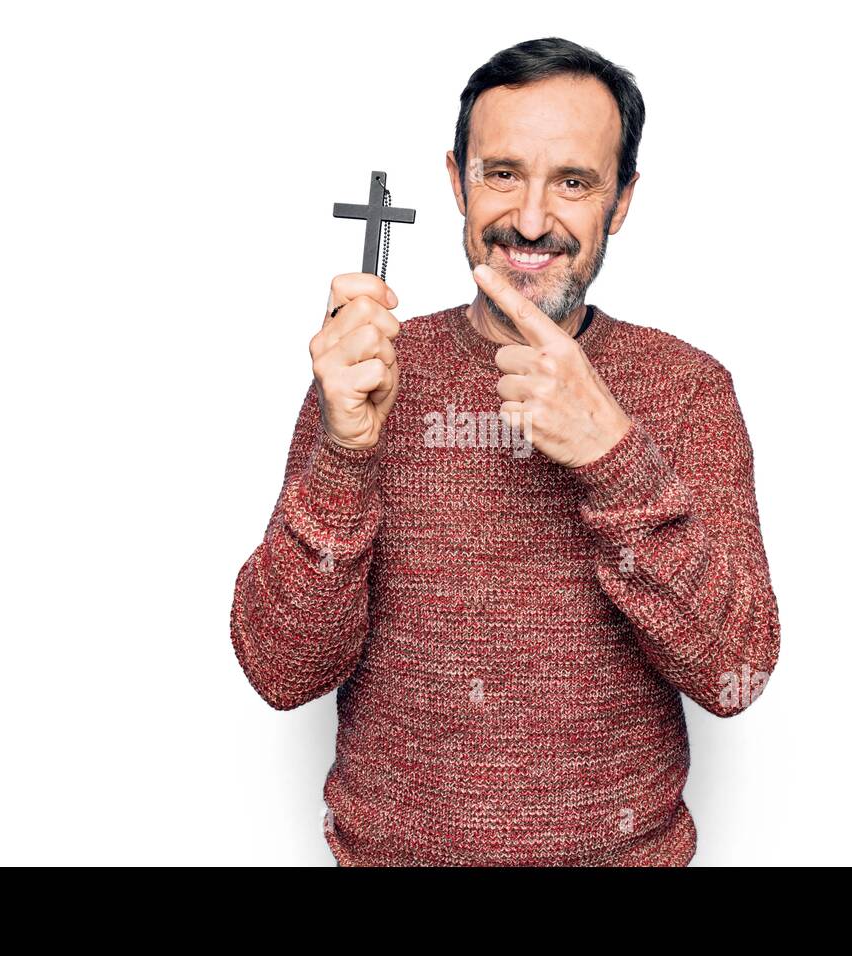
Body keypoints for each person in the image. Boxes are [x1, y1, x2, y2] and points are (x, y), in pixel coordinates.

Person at [230, 36, 781, 866]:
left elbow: (736, 668)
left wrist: (612, 453)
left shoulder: (687, 389)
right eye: (501, 174)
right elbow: (282, 670)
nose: (530, 220)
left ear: (622, 200)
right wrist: (344, 456)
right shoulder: (369, 372)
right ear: (456, 180)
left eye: (573, 181)